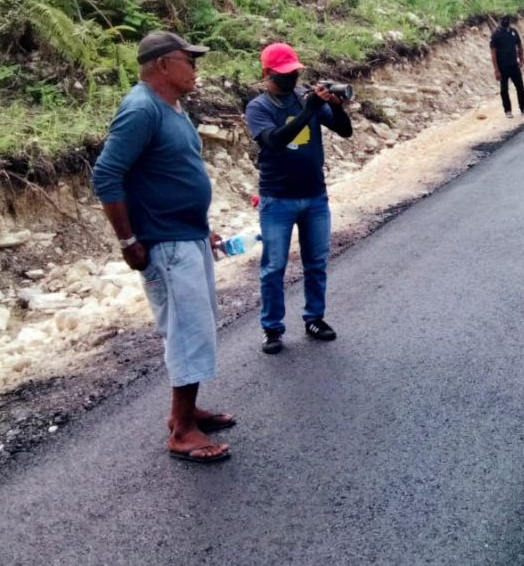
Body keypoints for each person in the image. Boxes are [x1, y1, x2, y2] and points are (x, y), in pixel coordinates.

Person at [92, 31, 233, 464]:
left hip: (186, 235)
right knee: (187, 331)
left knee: (198, 326)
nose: (196, 68)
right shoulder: (140, 109)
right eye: (189, 60)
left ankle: (186, 413)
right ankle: (182, 430)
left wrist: (201, 227)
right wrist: (128, 240)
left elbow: (172, 176)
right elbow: (106, 175)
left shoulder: (172, 108)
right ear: (162, 65)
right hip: (164, 243)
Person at [245, 43, 353, 354]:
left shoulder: (305, 97)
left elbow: (344, 131)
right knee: (273, 267)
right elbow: (275, 142)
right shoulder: (259, 108)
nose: (292, 79)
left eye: (295, 73)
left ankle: (314, 318)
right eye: (285, 74)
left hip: (315, 195)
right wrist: (310, 108)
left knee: (316, 263)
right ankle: (272, 328)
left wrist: (336, 105)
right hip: (277, 199)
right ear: (267, 74)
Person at [490, 15, 524, 118]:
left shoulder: (514, 32)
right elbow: (493, 54)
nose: (506, 21)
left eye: (507, 19)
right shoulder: (496, 35)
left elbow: (519, 46)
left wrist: (521, 60)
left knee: (520, 88)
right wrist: (496, 70)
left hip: (514, 65)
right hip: (502, 67)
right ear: (500, 20)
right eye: (503, 19)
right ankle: (508, 111)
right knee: (504, 90)